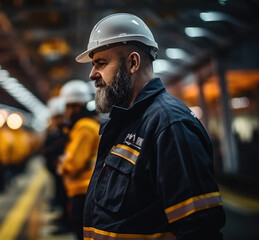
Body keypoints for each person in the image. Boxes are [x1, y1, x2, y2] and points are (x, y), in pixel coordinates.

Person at [76, 13, 226, 240]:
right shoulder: (128, 122)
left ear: (133, 62)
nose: (92, 74)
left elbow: (199, 229)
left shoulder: (170, 125)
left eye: (101, 63)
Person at [57, 80, 100, 240]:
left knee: (80, 231)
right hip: (84, 188)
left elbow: (73, 163)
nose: (65, 112)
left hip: (83, 188)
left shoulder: (83, 127)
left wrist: (63, 167)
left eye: (67, 107)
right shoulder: (86, 125)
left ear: (75, 107)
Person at [41, 96, 70, 233]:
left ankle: (66, 221)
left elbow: (58, 148)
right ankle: (63, 218)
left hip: (66, 172)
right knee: (60, 194)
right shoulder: (55, 131)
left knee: (65, 196)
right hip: (58, 171)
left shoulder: (66, 132)